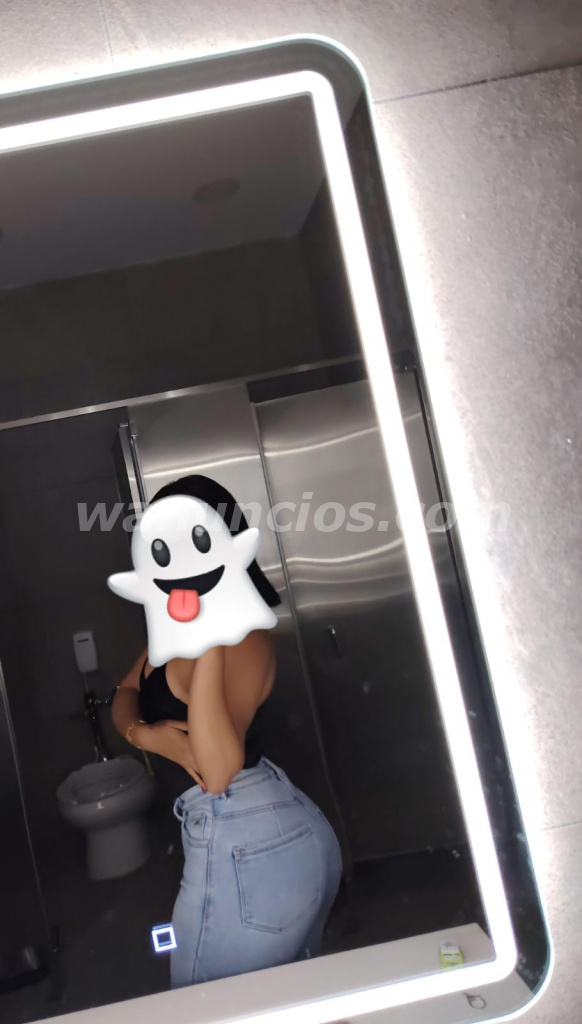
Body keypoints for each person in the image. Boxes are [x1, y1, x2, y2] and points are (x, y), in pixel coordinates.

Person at [112, 474, 342, 987]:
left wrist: (211, 636)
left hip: (244, 829)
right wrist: (146, 736)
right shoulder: (172, 628)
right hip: (246, 829)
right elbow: (124, 692)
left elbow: (217, 772)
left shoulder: (243, 640)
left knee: (203, 1007)